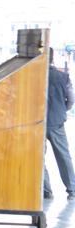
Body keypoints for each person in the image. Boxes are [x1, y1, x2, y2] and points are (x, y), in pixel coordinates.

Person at [43, 48, 75, 200]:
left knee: (38, 158)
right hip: (57, 123)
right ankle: (72, 190)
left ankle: (46, 191)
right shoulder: (63, 77)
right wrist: (61, 110)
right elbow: (71, 100)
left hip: (37, 124)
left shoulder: (34, 77)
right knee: (63, 156)